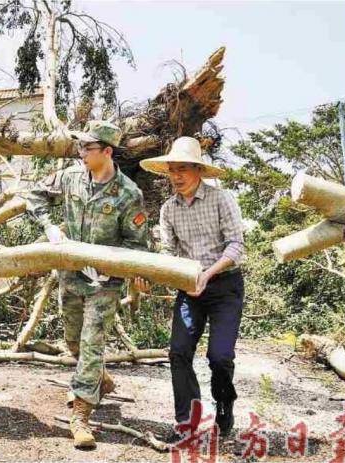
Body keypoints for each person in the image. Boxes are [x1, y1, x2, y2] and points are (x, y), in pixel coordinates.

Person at [26, 120, 150, 449]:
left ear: (107, 152)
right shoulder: (69, 178)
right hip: (70, 275)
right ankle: (100, 379)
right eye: (80, 146)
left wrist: (126, 272)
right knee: (74, 343)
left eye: (87, 147)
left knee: (92, 343)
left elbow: (138, 244)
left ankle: (80, 415)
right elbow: (33, 196)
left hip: (105, 283)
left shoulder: (128, 194)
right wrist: (50, 227)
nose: (81, 152)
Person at [140, 136, 245, 439]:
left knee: (220, 356)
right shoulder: (168, 210)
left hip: (225, 286)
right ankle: (186, 421)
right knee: (178, 352)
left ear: (199, 170)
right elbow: (168, 254)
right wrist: (150, 276)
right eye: (172, 170)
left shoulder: (221, 199)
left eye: (183, 169)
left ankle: (225, 404)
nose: (176, 176)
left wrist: (207, 274)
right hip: (189, 290)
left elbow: (236, 245)